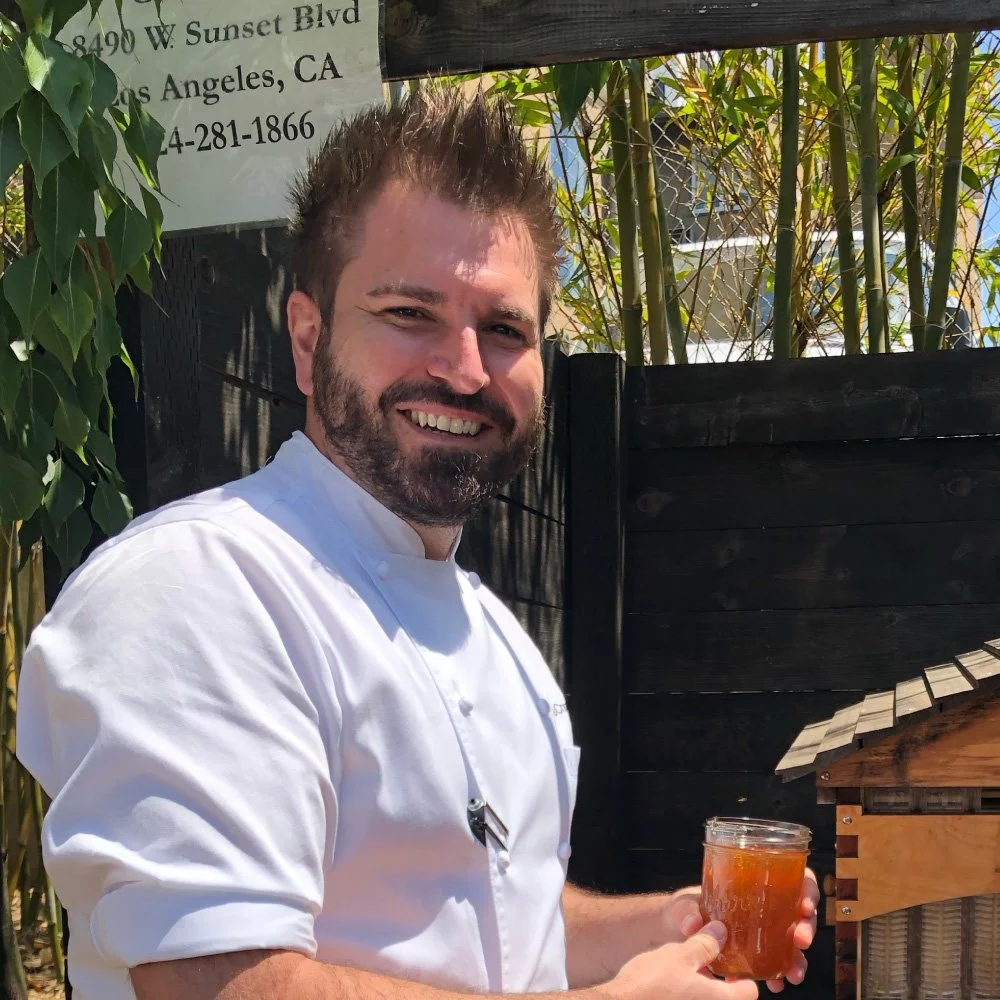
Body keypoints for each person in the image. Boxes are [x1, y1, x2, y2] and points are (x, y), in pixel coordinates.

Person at [17, 89, 818, 1000]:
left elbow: (503, 916)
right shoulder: (195, 588)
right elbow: (216, 982)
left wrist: (665, 924)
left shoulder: (501, 642)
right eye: (409, 312)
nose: (465, 369)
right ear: (309, 338)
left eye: (505, 330)